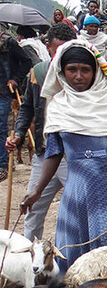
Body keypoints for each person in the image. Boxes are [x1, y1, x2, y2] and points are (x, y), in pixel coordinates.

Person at [20, 40, 107, 272]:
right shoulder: (58, 106)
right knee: (74, 250)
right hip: (78, 187)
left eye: (85, 70)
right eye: (72, 70)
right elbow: (54, 153)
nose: (78, 76)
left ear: (95, 71)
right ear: (62, 72)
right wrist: (36, 191)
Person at [6, 24, 76, 240]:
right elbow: (27, 106)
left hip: (72, 155)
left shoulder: (81, 73)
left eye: (67, 50)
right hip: (43, 152)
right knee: (32, 208)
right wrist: (18, 134)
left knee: (78, 209)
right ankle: (29, 259)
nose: (61, 57)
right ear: (48, 47)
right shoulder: (39, 72)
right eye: (57, 51)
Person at [0, 26, 32, 182]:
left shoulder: (8, 43)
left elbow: (27, 61)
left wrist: (15, 79)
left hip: (4, 91)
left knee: (1, 127)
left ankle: (3, 165)